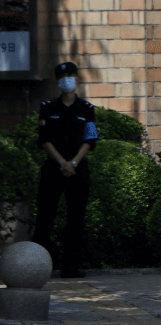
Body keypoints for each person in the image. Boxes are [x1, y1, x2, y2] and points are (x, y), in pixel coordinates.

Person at [32, 62, 99, 278]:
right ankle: (40, 265)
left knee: (76, 218)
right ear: (57, 80)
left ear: (77, 78)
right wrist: (62, 162)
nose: (67, 79)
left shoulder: (87, 109)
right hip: (54, 169)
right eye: (62, 76)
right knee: (45, 218)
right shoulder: (48, 107)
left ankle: (71, 266)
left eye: (70, 75)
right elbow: (44, 139)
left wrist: (74, 163)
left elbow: (90, 138)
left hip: (78, 170)